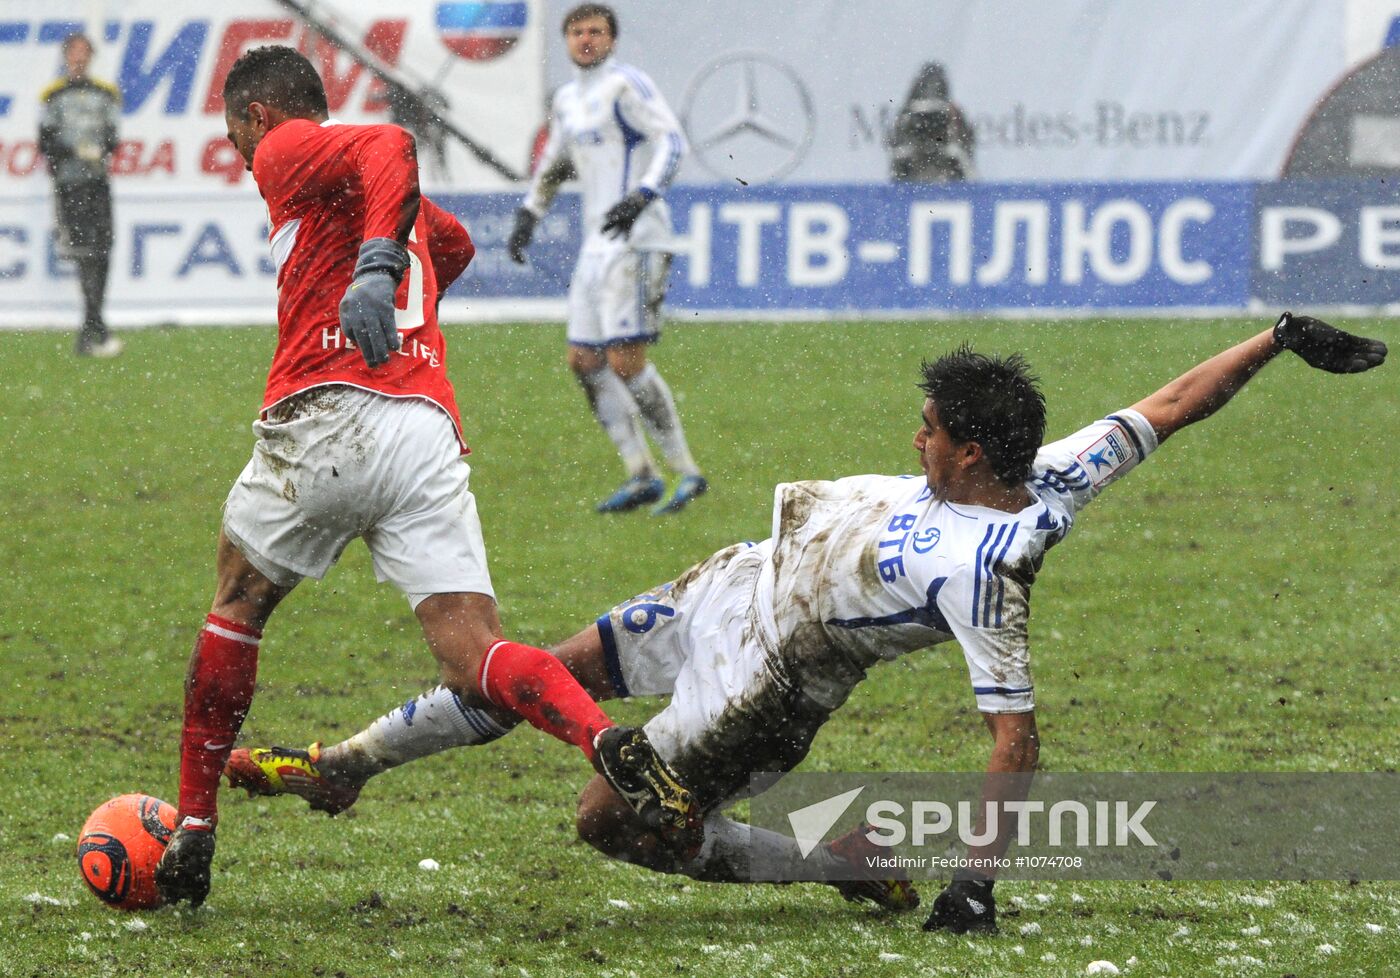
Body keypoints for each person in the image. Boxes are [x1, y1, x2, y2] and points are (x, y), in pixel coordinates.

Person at [224, 314, 1386, 931]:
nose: (913, 435)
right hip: (734, 581)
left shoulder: (990, 562)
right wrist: (1278, 339)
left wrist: (973, 883)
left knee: (608, 826)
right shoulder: (1056, 466)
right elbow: (1174, 406)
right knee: (539, 673)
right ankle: (350, 766)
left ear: (970, 451)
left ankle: (831, 868)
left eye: (927, 427)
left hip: (769, 680)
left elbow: (1013, 740)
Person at [151, 45, 700, 909]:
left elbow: (391, 147)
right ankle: (606, 741)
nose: (245, 159)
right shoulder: (348, 186)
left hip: (326, 409)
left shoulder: (290, 145)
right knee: (476, 654)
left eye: (236, 137)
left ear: (259, 116)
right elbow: (451, 239)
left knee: (237, 600)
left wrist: (370, 269)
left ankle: (192, 825)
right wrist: (392, 264)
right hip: (422, 429)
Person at [506, 4, 707, 515]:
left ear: (612, 39)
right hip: (597, 243)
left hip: (638, 238)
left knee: (625, 359)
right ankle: (640, 472)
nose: (586, 39)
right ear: (566, 40)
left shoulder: (627, 86)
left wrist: (642, 195)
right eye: (577, 31)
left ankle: (686, 471)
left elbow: (671, 141)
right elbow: (554, 162)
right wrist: (530, 212)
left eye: (596, 31)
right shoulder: (570, 100)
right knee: (584, 360)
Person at [38, 32, 122, 357]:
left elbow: (113, 137)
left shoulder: (104, 94)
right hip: (70, 185)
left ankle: (92, 327)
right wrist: (73, 150)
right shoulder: (55, 96)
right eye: (74, 52)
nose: (79, 58)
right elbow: (45, 141)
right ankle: (95, 327)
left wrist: (99, 150)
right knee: (84, 251)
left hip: (97, 183)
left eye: (84, 52)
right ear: (65, 56)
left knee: (103, 250)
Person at [887, 62, 974, 183]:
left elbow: (966, 147)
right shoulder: (907, 112)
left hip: (946, 171)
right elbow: (896, 143)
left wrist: (948, 139)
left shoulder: (954, 113)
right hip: (914, 167)